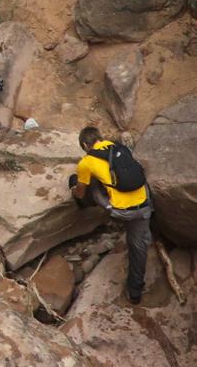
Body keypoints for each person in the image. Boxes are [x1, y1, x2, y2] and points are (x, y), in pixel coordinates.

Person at [69, 126, 152, 305]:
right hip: (144, 206)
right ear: (101, 137)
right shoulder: (119, 147)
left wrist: (74, 188)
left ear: (85, 144)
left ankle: (102, 207)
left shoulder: (87, 162)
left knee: (88, 184)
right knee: (138, 247)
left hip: (121, 212)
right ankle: (135, 292)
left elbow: (81, 193)